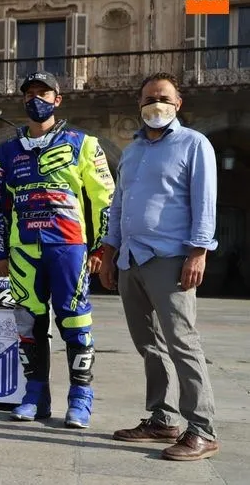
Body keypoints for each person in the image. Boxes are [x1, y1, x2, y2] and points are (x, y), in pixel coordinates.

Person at [99, 72, 220, 461]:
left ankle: (202, 429)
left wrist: (198, 252)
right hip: (131, 259)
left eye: (164, 97)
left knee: (183, 343)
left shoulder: (194, 144)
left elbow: (204, 201)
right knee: (148, 344)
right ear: (139, 105)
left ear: (178, 103)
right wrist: (109, 249)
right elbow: (119, 204)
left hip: (170, 259)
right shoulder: (132, 151)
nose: (157, 103)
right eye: (150, 98)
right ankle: (162, 418)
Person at [0, 71, 114, 428]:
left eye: (43, 93)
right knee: (28, 323)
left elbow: (104, 200)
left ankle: (81, 398)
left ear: (58, 99)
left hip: (69, 246)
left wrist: (101, 248)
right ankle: (35, 396)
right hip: (23, 248)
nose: (35, 99)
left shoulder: (84, 143)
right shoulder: (7, 151)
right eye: (29, 93)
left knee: (75, 320)